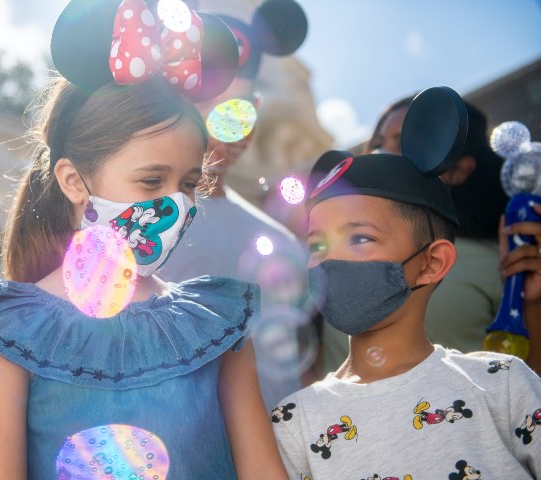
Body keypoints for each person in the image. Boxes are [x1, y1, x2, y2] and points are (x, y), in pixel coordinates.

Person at [0, 1, 287, 478]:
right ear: (72, 180)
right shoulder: (5, 332)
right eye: (151, 182)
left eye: (188, 184)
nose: (176, 206)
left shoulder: (219, 323)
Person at [272, 87, 541, 479]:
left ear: (433, 263)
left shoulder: (504, 383)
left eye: (360, 238)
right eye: (317, 244)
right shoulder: (292, 422)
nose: (329, 259)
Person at [158, 0, 313, 407]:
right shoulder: (144, 221)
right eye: (203, 102)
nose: (217, 124)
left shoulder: (280, 240)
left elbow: (295, 358)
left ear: (255, 116)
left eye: (235, 109)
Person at [321, 97, 509, 373]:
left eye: (404, 140)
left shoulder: (498, 263)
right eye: (378, 143)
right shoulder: (329, 251)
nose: (383, 153)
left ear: (460, 168)